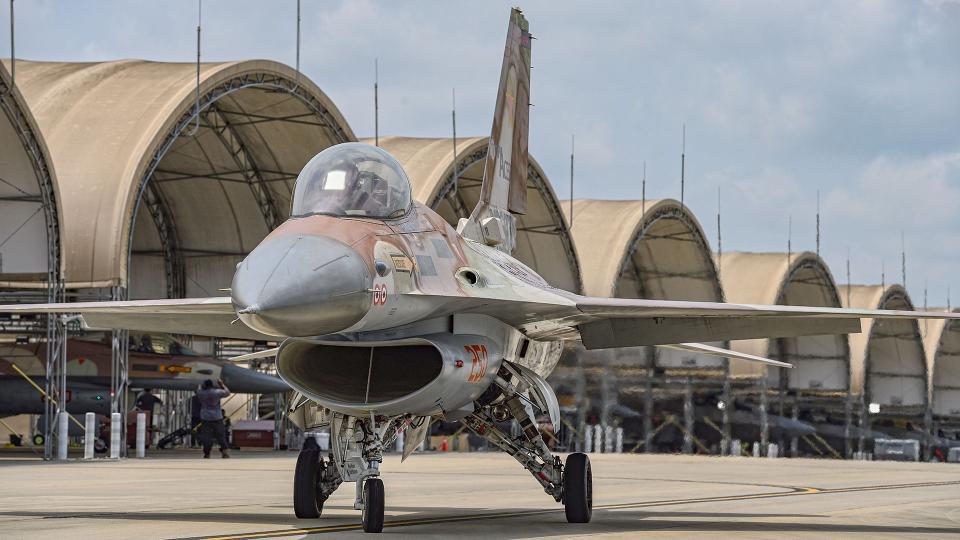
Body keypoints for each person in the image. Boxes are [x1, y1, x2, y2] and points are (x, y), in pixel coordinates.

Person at [195, 378, 231, 458]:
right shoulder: (217, 392)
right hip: (217, 416)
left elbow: (197, 391)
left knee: (206, 436)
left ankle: (207, 453)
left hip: (205, 417)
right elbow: (228, 392)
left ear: (205, 385)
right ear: (212, 385)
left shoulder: (201, 393)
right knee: (220, 435)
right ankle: (224, 452)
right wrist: (221, 384)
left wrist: (199, 386)